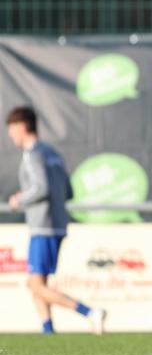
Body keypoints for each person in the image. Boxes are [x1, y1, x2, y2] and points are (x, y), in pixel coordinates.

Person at [5, 106, 106, 335]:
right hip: (57, 224)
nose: (10, 136)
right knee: (37, 284)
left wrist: (20, 200)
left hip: (42, 225)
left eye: (11, 130)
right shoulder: (52, 153)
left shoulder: (33, 153)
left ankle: (90, 312)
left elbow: (41, 188)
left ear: (21, 127)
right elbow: (68, 191)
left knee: (35, 284)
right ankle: (48, 330)